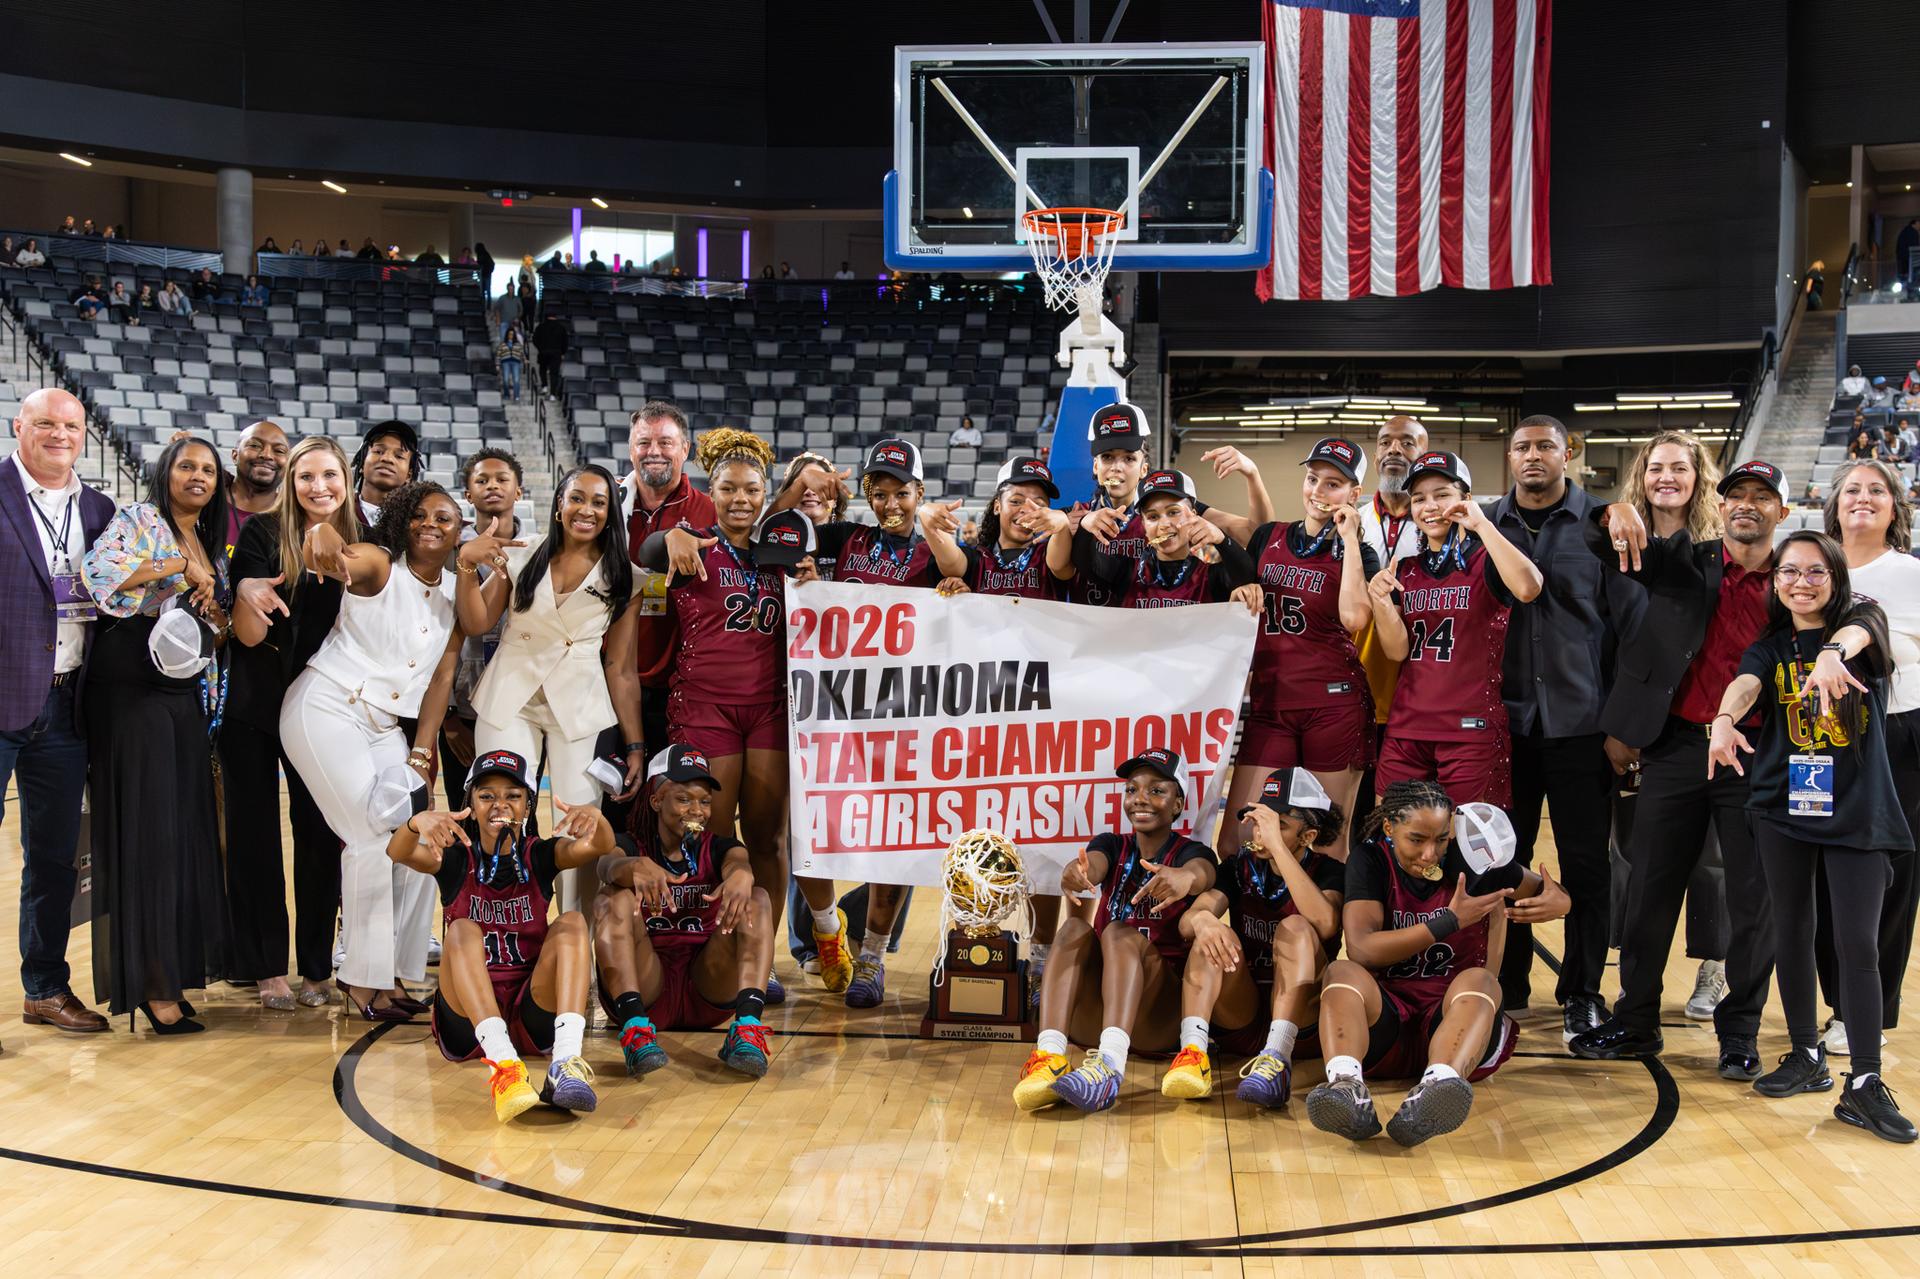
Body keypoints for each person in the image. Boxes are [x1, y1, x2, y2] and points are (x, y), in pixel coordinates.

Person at [1570, 460, 1792, 1082]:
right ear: (1720, 508)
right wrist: (1609, 512)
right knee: (1648, 891)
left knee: (1752, 900)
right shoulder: (1685, 560)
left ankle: (1739, 1030)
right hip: (1675, 746)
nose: (1747, 505)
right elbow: (1601, 546)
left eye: (1761, 497)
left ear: (1783, 511)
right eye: (1737, 496)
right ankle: (1636, 1018)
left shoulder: (1793, 579)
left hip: (1759, 752)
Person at [1708, 532, 1913, 1142]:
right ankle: (1804, 1055)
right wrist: (1723, 719)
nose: (1801, 581)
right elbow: (1746, 683)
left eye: (1815, 571)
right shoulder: (1770, 646)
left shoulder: (1863, 626)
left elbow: (1859, 634)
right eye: (1789, 571)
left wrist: (1832, 654)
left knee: (1858, 944)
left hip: (1856, 811)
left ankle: (1866, 1082)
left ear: (1836, 575)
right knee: (1791, 933)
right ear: (1776, 582)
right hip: (1783, 806)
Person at [768, 437, 968, 1007]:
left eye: (900, 492)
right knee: (812, 822)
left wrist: (954, 585)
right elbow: (779, 526)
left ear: (920, 492)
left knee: (894, 837)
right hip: (834, 710)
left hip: (908, 714)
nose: (889, 504)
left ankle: (874, 955)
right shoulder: (844, 538)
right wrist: (809, 478)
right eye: (878, 494)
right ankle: (829, 934)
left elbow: (964, 577)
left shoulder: (937, 548)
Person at [279, 481, 463, 1022]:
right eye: (420, 515)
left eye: (445, 518)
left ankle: (398, 974)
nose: (431, 524)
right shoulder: (382, 564)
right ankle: (361, 978)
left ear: (458, 533)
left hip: (386, 727)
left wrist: (422, 754)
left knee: (418, 834)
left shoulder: (454, 591)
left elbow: (441, 679)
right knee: (368, 837)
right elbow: (342, 556)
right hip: (326, 706)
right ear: (402, 521)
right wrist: (323, 534)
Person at [642, 430, 813, 1000]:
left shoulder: (784, 550)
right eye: (727, 488)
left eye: (751, 489)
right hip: (705, 705)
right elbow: (642, 554)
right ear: (707, 490)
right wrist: (669, 537)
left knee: (766, 836)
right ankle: (716, 942)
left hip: (767, 708)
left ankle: (759, 955)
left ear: (767, 493)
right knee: (712, 834)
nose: (740, 498)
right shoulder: (691, 544)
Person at [1304, 782, 1568, 1146]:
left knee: (1482, 980)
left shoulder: (1477, 859)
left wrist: (1560, 903)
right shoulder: (1370, 859)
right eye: (1416, 839)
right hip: (1386, 1023)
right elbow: (1362, 949)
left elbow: (1551, 892)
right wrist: (1449, 922)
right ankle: (1347, 1086)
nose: (1429, 853)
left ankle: (1438, 1086)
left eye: (1441, 840)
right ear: (1389, 828)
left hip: (1457, 1021)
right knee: (1341, 972)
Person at [1489, 415, 1641, 1036]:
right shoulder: (1483, 523)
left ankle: (1581, 990)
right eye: (1522, 447)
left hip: (1583, 725)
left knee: (1587, 865)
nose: (1533, 456)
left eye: (1545, 446)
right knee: (1504, 859)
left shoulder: (1603, 524)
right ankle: (1509, 986)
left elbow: (1632, 633)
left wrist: (1622, 726)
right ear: (1510, 456)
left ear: (1567, 453)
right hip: (1505, 725)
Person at [81, 436, 233, 1032]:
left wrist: (216, 611)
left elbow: (210, 634)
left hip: (180, 697)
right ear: (165, 472)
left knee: (181, 834)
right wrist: (176, 566)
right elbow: (101, 579)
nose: (198, 476)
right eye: (187, 466)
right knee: (148, 837)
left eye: (208, 470)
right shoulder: (141, 519)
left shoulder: (211, 546)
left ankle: (170, 970)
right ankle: (149, 983)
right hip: (130, 692)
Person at [459, 464, 645, 914]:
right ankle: (500, 927)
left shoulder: (627, 578)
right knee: (499, 816)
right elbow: (476, 622)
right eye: (576, 498)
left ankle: (572, 940)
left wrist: (635, 743)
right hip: (509, 700)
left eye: (599, 502)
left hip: (579, 707)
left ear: (610, 513)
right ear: (559, 504)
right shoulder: (520, 555)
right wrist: (466, 564)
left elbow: (620, 668)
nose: (586, 510)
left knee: (578, 823)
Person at [392, 749, 608, 1120]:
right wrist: (415, 824)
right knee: (460, 929)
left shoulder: (539, 854)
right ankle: (504, 1065)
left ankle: (566, 1061)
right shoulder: (455, 857)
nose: (500, 804)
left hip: (529, 1005)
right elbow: (398, 852)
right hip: (467, 1015)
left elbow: (599, 846)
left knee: (572, 923)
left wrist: (597, 818)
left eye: (513, 795)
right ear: (470, 804)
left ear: (527, 806)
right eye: (487, 795)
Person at [229, 437, 360, 1009]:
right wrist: (245, 594)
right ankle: (264, 967)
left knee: (318, 836)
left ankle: (314, 968)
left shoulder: (365, 542)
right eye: (305, 476)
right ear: (290, 481)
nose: (318, 487)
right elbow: (250, 634)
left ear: (345, 479)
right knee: (255, 836)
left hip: (321, 710)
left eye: (329, 474)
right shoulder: (261, 533)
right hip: (257, 705)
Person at [1015, 750, 1220, 1114]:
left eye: (1157, 790)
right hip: (1099, 1014)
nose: (1140, 798)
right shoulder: (1111, 844)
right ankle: (1049, 1055)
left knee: (1117, 933)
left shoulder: (1192, 851)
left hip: (1159, 1014)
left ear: (1177, 805)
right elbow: (1092, 865)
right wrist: (1076, 874)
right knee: (1075, 927)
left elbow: (1203, 872)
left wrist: (1186, 879)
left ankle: (1110, 1066)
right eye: (1132, 789)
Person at [1605, 431, 1731, 1021]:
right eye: (1656, 468)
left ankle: (1715, 970)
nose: (1667, 478)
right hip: (1646, 723)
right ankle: (1636, 998)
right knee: (1642, 863)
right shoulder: (1616, 538)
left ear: (1699, 475)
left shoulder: (1718, 543)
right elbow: (1606, 636)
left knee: (1714, 863)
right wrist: (1620, 720)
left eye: (1680, 467)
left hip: (1712, 719)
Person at [5, 389, 117, 1041]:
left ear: (84, 434)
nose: (58, 434)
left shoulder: (101, 510)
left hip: (66, 704)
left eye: (69, 425)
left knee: (52, 857)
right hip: (0, 696)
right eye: (44, 422)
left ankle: (44, 987)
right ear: (19, 426)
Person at [1228, 438, 1378, 859]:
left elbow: (1355, 619)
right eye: (1313, 479)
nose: (1318, 491)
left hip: (1332, 706)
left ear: (1353, 495)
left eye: (1333, 484)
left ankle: (1320, 925)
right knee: (1239, 839)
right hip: (1272, 704)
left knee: (1326, 845)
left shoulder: (1360, 553)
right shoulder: (1269, 537)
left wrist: (1349, 540)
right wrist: (1249, 471)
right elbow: (1201, 519)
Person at [1367, 451, 1544, 807]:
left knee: (1468, 846)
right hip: (1407, 726)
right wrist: (1382, 604)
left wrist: (1481, 525)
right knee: (1393, 838)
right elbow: (1397, 651)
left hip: (1470, 728)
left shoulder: (1487, 556)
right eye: (1419, 499)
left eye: (1441, 494)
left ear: (1465, 499)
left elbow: (1530, 587)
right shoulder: (1404, 568)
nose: (1429, 506)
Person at [592, 744, 777, 1079]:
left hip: (707, 985)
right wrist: (633, 866)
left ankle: (747, 1027)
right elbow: (606, 864)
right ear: (657, 800)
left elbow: (738, 861)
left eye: (704, 801)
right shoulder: (633, 844)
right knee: (610, 898)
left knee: (757, 898)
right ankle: (634, 1031)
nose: (697, 810)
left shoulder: (719, 847)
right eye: (684, 799)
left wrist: (741, 875)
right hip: (648, 987)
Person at [1166, 768, 1346, 1106]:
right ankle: (1192, 1053)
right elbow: (1187, 923)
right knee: (1212, 934)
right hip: (1243, 1011)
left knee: (1295, 927)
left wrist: (1278, 849)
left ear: (1308, 837)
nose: (1262, 831)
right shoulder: (1239, 867)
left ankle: (1277, 1060)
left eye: (1278, 825)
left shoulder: (1331, 871)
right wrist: (1205, 921)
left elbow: (1325, 924)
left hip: (1302, 1022)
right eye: (1261, 820)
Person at [1821, 461, 1920, 1054]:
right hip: (1821, 740)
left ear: (1893, 507)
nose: (1863, 498)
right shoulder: (1812, 566)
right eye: (1852, 489)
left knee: (1891, 877)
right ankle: (1835, 1000)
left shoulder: (1909, 572)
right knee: (1822, 877)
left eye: (1876, 490)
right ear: (1834, 504)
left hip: (1899, 732)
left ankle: (1867, 1013)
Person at [611, 401, 716, 832]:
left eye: (666, 442)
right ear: (630, 449)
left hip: (684, 689)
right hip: (615, 685)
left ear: (685, 448)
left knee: (680, 817)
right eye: (644, 442)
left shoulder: (711, 511)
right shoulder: (608, 509)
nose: (654, 450)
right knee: (617, 809)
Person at [1071, 401, 1273, 606]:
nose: (1117, 467)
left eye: (1129, 458)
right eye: (1107, 457)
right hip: (1099, 627)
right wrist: (1075, 526)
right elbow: (1074, 564)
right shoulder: (1078, 516)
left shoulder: (1179, 504)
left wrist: (1252, 474)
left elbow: (1257, 534)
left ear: (1143, 467)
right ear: (1095, 465)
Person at [440, 448, 524, 810]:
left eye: (502, 479)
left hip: (519, 707)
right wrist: (447, 718)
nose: (492, 486)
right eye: (481, 480)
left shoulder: (536, 550)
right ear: (468, 494)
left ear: (518, 491)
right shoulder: (446, 550)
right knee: (465, 809)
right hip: (462, 709)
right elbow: (435, 635)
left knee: (522, 809)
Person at [1072, 468, 1263, 613]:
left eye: (1173, 512)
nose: (1164, 524)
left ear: (1194, 516)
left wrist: (1221, 540)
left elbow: (1247, 574)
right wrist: (1085, 525)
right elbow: (1085, 563)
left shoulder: (1211, 577)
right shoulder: (1127, 572)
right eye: (1153, 517)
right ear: (1144, 526)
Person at [352, 419, 423, 524]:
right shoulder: (337, 509)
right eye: (378, 451)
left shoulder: (416, 520)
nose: (387, 459)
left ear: (409, 474)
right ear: (362, 463)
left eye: (399, 456)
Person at [531, 309, 569, 399]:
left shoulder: (541, 327)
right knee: (554, 374)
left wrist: (540, 348)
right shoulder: (561, 328)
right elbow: (565, 342)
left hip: (543, 352)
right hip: (556, 353)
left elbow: (535, 339)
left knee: (542, 369)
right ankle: (552, 394)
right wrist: (562, 352)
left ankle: (544, 386)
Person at [496, 326, 525, 402]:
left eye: (512, 334)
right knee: (505, 379)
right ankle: (506, 394)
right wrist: (497, 364)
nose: (511, 336)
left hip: (516, 362)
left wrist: (524, 360)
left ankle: (516, 396)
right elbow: (498, 354)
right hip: (505, 362)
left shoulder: (518, 344)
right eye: (509, 334)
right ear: (507, 335)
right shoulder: (502, 344)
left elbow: (522, 353)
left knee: (516, 379)